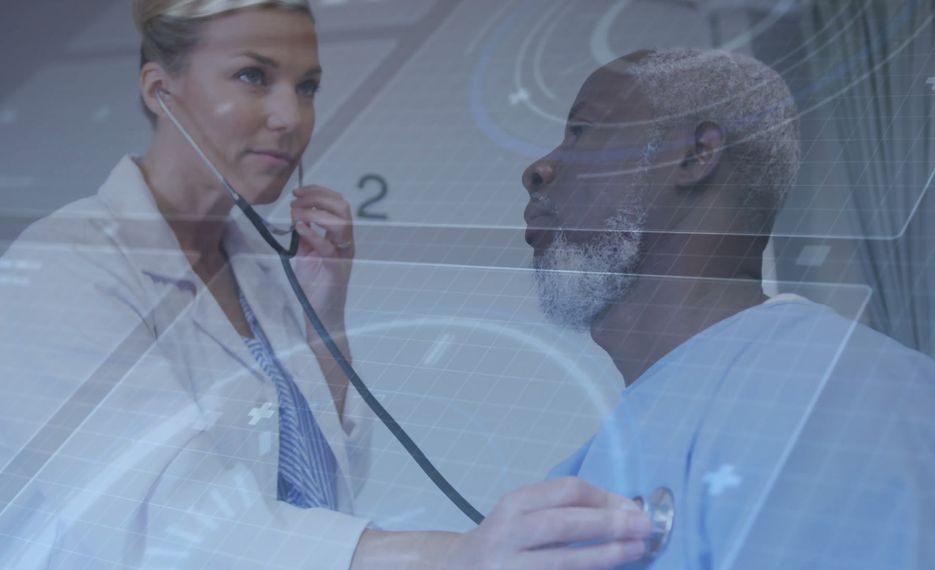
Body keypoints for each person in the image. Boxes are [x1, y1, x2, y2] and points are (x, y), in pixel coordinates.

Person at [0, 2, 652, 568]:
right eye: (253, 76)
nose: (291, 117)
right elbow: (167, 525)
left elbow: (323, 490)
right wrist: (453, 556)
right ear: (159, 89)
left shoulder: (262, 263)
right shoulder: (69, 267)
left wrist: (323, 325)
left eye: (306, 86)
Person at [521, 48, 935, 568]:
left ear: (695, 155)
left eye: (582, 131)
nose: (538, 169)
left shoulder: (831, 400)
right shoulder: (606, 457)